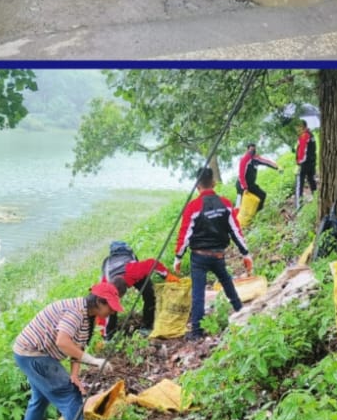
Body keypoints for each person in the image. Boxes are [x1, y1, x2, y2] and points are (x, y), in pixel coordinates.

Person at [12, 282, 119, 420]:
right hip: (32, 353)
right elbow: (62, 342)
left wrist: (75, 375)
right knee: (70, 395)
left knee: (40, 399)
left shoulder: (87, 316)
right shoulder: (76, 313)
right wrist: (94, 361)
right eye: (111, 307)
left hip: (32, 353)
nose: (112, 312)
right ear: (99, 302)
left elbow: (77, 347)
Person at [173, 166, 254, 338]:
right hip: (218, 255)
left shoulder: (193, 207)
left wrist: (178, 257)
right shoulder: (225, 204)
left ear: (197, 186)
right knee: (226, 281)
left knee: (198, 293)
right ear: (214, 183)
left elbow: (185, 234)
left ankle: (196, 331)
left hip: (199, 257)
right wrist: (245, 253)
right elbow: (235, 230)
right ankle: (240, 309)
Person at [100, 242, 168, 340]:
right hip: (115, 279)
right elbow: (102, 309)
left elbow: (153, 264)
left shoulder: (134, 269)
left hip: (132, 272)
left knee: (149, 292)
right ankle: (110, 333)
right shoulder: (106, 282)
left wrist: (167, 276)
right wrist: (105, 335)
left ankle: (148, 324)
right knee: (109, 305)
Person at [234, 143, 278, 210]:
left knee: (262, 195)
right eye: (251, 149)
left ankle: (256, 212)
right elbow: (241, 175)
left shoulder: (256, 158)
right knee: (239, 205)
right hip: (241, 185)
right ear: (248, 150)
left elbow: (266, 162)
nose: (253, 151)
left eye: (254, 149)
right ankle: (237, 217)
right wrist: (245, 188)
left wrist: (276, 166)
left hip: (251, 185)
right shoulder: (244, 159)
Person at [295, 121, 318, 198]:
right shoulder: (310, 134)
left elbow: (302, 150)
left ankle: (299, 200)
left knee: (300, 180)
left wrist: (299, 163)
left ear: (303, 127)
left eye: (298, 127)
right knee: (311, 178)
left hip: (305, 162)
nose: (297, 129)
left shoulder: (304, 135)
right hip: (312, 160)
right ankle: (315, 194)